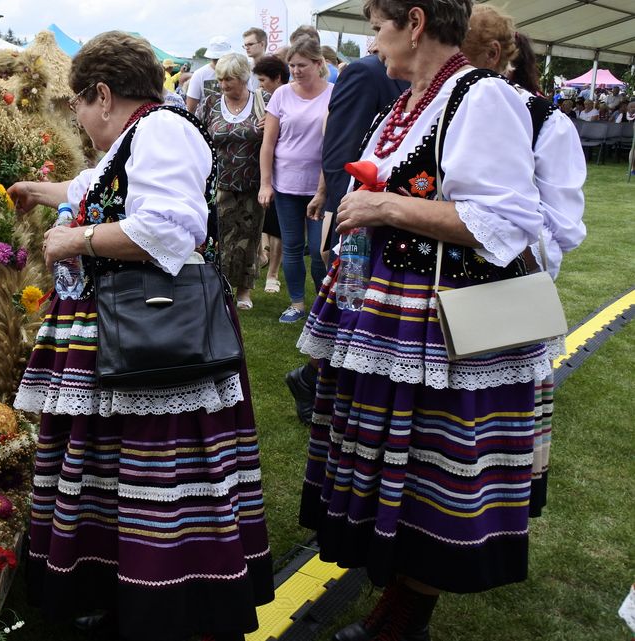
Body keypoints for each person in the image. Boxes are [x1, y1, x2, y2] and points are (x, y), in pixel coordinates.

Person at [295, 1, 555, 639]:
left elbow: (504, 221)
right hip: (391, 311)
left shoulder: (481, 96)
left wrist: (384, 206)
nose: (373, 43)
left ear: (415, 22)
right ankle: (398, 608)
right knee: (398, 463)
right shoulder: (404, 103)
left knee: (432, 468)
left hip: (445, 325)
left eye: (378, 27)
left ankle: (405, 619)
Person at [7, 30, 274, 641]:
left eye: (77, 104)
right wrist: (40, 192)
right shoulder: (137, 137)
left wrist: (74, 239)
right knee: (119, 471)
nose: (77, 117)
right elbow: (97, 191)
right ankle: (122, 587)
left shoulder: (162, 131)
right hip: (133, 334)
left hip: (160, 336)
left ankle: (171, 598)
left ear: (102, 94)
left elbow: (171, 227)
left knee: (161, 472)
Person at [461, 3, 586, 524]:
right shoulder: (426, 109)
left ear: (491, 57)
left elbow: (563, 223)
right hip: (434, 291)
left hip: (504, 295)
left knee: (491, 423)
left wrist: (509, 258)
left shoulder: (545, 120)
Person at [285, 45, 407, 425]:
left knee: (363, 313)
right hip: (363, 219)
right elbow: (341, 147)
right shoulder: (367, 72)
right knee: (352, 305)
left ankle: (316, 380)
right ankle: (317, 381)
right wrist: (344, 211)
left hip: (396, 221)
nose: (375, 41)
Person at [258, 38, 332, 323]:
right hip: (286, 185)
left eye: (302, 65)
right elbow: (268, 143)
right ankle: (298, 303)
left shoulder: (333, 94)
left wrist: (325, 189)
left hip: (320, 187)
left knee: (318, 249)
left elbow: (334, 145)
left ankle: (322, 306)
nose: (296, 70)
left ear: (318, 64)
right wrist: (266, 184)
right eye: (292, 65)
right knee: (290, 246)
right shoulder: (281, 95)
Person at [196, 52, 267, 310]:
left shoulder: (263, 101)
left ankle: (244, 291)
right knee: (220, 235)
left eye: (230, 79)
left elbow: (275, 137)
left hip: (253, 181)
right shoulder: (211, 103)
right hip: (219, 182)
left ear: (243, 78)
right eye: (221, 79)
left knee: (249, 237)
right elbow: (199, 137)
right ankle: (219, 283)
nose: (224, 85)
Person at [252, 55, 289, 295]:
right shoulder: (263, 99)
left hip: (285, 172)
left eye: (263, 80)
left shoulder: (290, 98)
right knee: (264, 222)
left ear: (277, 78)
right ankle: (263, 258)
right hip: (265, 169)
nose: (260, 85)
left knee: (278, 226)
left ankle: (273, 273)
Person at [185, 35, 232, 114]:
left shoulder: (238, 73)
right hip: (206, 123)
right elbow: (191, 108)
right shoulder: (199, 74)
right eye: (216, 59)